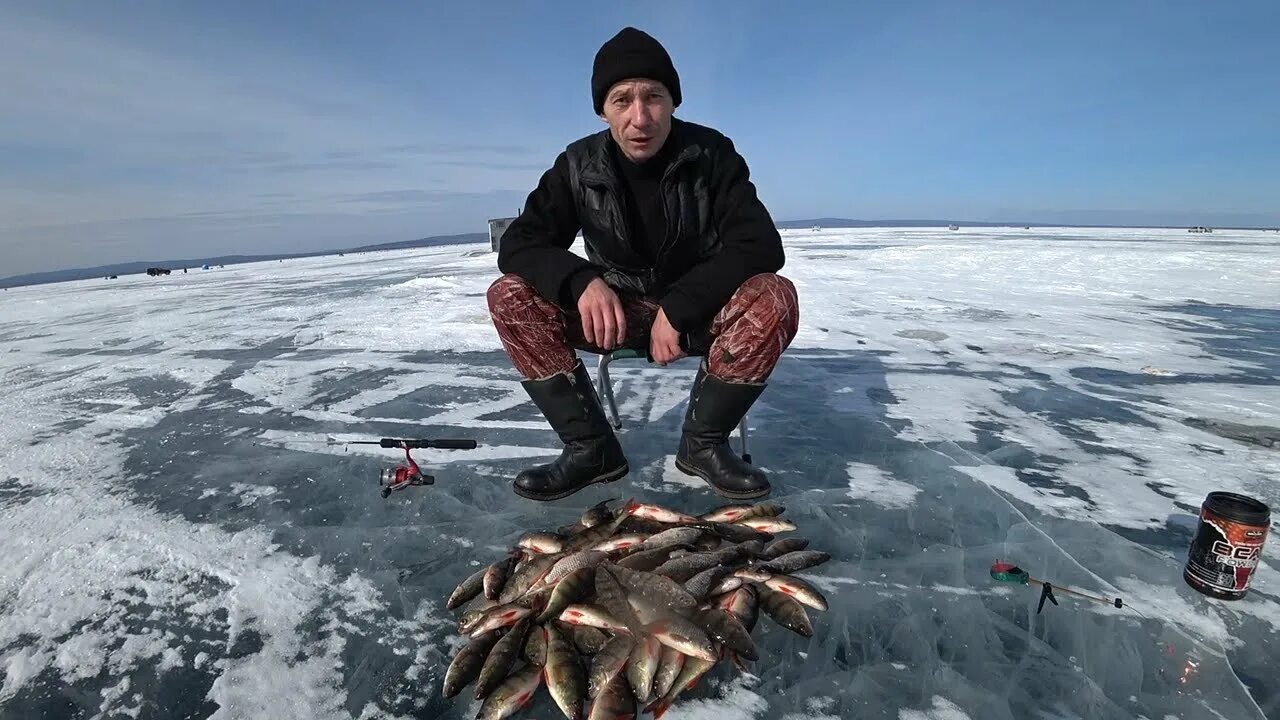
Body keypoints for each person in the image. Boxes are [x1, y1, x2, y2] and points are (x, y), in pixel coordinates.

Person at [487, 26, 799, 502]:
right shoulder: (576, 165)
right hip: (614, 315)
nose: (640, 117)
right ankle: (591, 450)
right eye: (622, 100)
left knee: (775, 296)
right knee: (509, 294)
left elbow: (759, 244)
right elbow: (521, 243)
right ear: (603, 110)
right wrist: (580, 281)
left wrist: (681, 306)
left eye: (653, 96)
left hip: (696, 316)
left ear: (673, 100)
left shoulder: (711, 154)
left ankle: (704, 445)